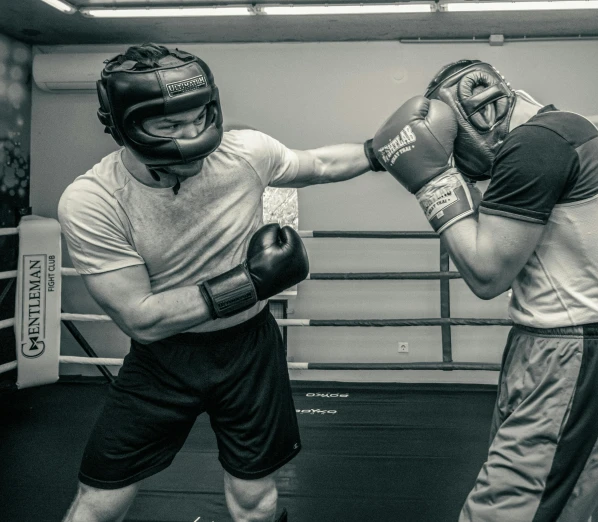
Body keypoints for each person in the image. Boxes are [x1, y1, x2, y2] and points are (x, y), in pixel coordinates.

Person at [58, 43, 383, 522]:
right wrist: (250, 281)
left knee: (255, 500)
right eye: (167, 126)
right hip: (163, 360)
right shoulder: (94, 201)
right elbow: (141, 318)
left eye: (197, 119)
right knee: (99, 498)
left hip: (250, 350)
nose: (189, 136)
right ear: (125, 125)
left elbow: (320, 164)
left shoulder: (245, 152)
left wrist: (384, 151)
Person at [372, 60, 598, 521]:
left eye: (451, 142)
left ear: (479, 110)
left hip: (570, 355)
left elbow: (487, 273)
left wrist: (433, 182)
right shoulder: (551, 135)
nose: (457, 161)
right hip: (548, 346)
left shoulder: (539, 143)